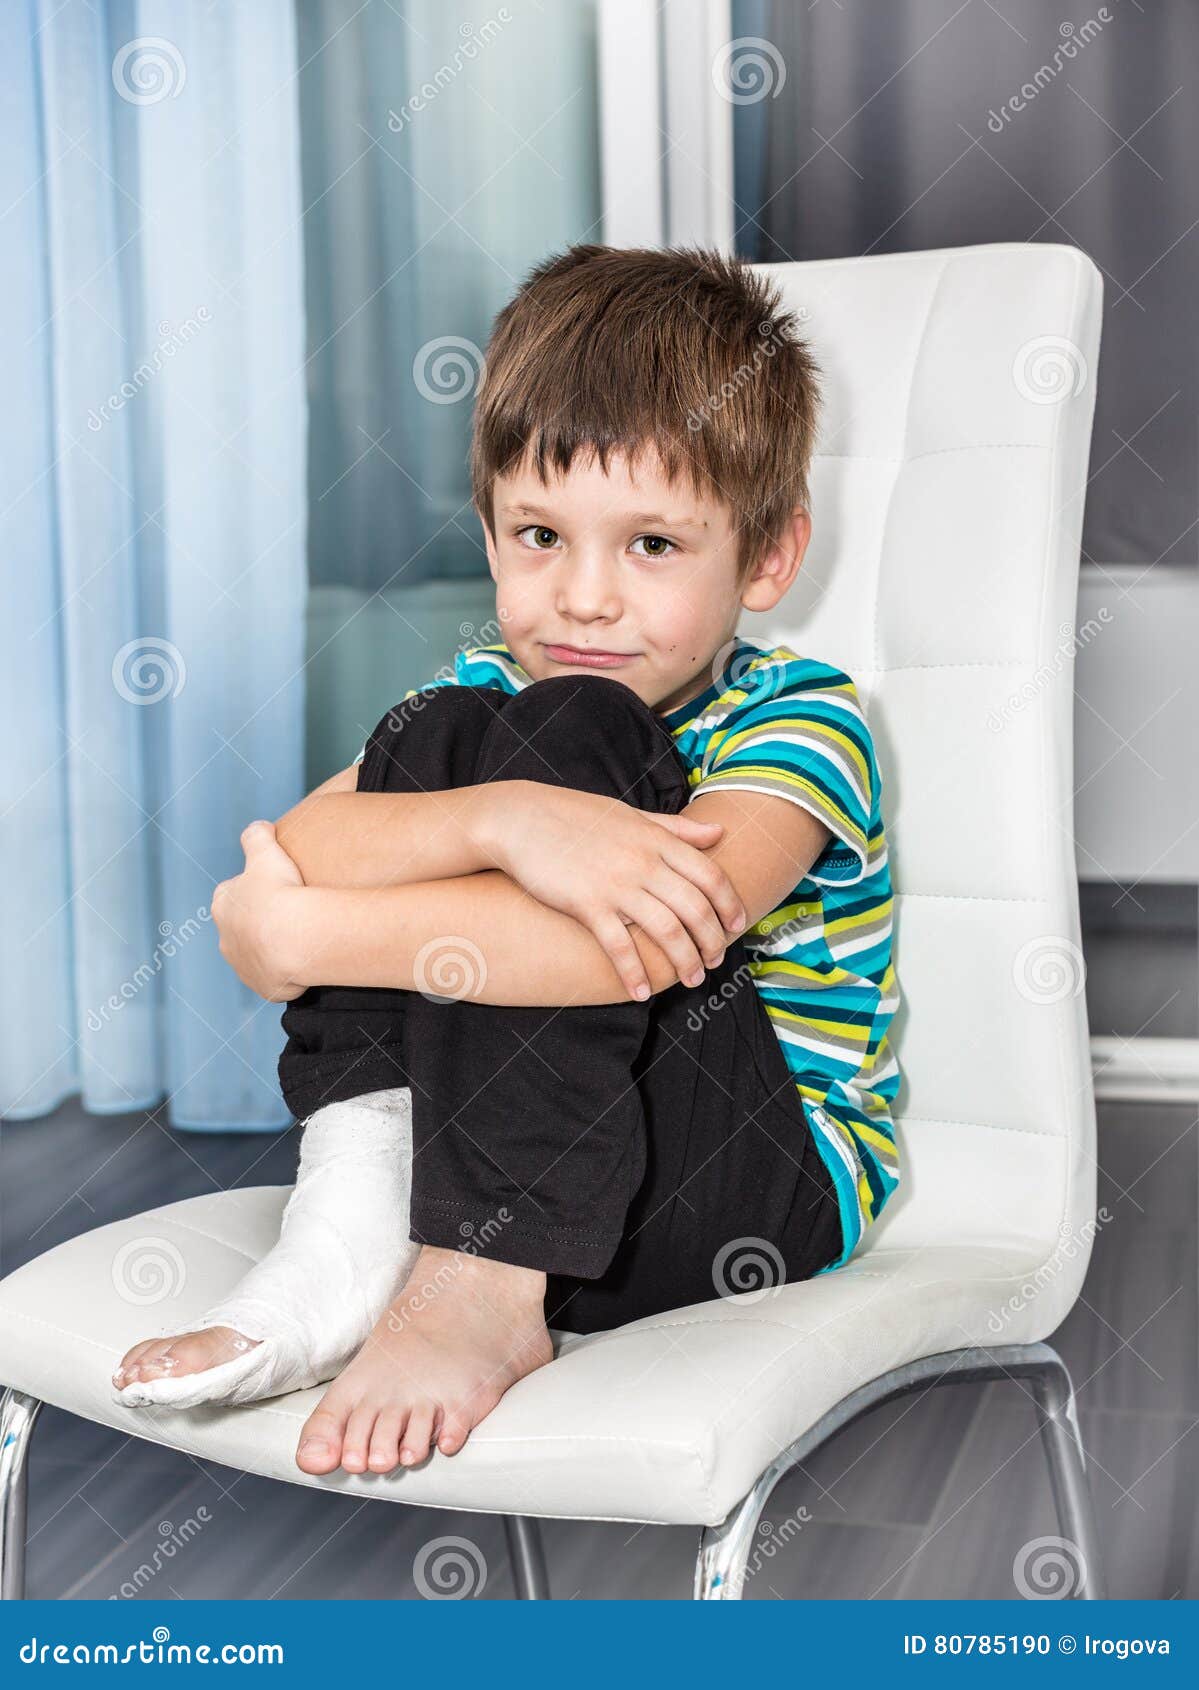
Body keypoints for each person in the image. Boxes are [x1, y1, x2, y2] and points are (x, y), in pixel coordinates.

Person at [112, 242, 901, 1480]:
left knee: (572, 733)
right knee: (447, 741)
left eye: (650, 545)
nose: (583, 599)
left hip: (741, 1189)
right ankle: (359, 1222)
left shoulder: (802, 718)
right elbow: (304, 843)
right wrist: (503, 825)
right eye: (540, 533)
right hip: (490, 1170)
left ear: (763, 556)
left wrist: (303, 939)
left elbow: (624, 946)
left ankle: (475, 1290)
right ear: (487, 534)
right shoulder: (475, 698)